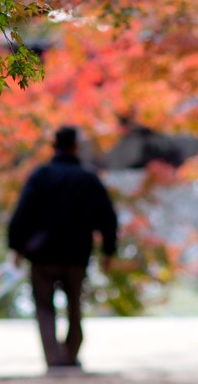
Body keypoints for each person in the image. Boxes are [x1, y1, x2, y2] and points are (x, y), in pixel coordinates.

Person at [8, 126, 118, 371]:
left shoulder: (40, 176)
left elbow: (23, 213)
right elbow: (107, 216)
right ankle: (70, 354)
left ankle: (53, 357)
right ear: (76, 146)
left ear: (53, 145)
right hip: (77, 253)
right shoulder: (88, 178)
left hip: (42, 255)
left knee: (45, 308)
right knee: (75, 307)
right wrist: (108, 250)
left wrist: (16, 247)